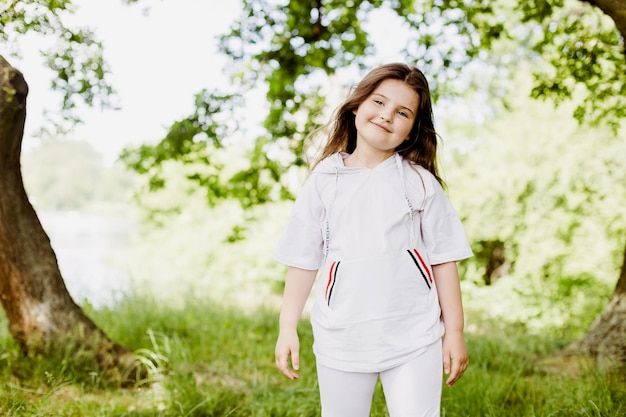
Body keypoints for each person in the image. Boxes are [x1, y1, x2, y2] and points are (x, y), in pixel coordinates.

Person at [273, 62, 473, 417]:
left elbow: (444, 259)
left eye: (402, 112)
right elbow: (304, 258)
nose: (386, 116)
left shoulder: (420, 183)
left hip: (415, 335)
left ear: (412, 129)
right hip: (342, 336)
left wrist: (454, 331)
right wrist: (288, 326)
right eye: (379, 102)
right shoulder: (324, 179)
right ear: (356, 106)